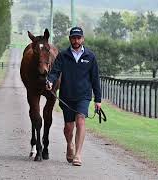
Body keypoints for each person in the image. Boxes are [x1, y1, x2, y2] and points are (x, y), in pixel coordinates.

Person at [46, 26, 101, 166]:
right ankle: (69, 144)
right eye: (73, 38)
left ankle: (78, 154)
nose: (76, 40)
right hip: (67, 96)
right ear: (70, 39)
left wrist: (98, 100)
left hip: (84, 96)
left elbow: (95, 79)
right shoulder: (63, 55)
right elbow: (55, 72)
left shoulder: (90, 56)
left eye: (78, 38)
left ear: (82, 39)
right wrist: (50, 81)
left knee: (81, 120)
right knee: (68, 127)